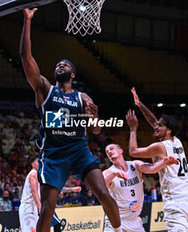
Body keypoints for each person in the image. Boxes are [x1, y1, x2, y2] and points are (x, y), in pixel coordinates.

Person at [20, 8, 122, 232]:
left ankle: (118, 229)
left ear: (73, 75)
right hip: (54, 155)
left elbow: (95, 130)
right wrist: (27, 22)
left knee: (103, 194)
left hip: (78, 151)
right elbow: (26, 59)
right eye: (58, 65)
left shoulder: (83, 97)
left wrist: (92, 117)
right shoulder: (45, 89)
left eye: (66, 65)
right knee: (47, 208)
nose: (61, 65)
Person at [127, 88, 188, 232]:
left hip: (175, 200)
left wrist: (133, 129)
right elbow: (153, 121)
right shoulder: (176, 140)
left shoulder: (160, 147)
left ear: (168, 130)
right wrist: (140, 105)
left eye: (160, 125)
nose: (156, 126)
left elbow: (133, 151)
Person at [103, 144, 177, 232]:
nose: (109, 152)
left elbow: (152, 169)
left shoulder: (135, 165)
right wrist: (114, 174)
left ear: (121, 151)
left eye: (111, 149)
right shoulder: (108, 172)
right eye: (107, 152)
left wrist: (164, 162)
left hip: (134, 221)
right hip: (115, 221)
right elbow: (102, 186)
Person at [19, 155, 81, 232]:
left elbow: (54, 188)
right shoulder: (33, 174)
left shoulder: (41, 175)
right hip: (28, 206)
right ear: (32, 164)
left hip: (34, 207)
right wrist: (40, 207)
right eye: (37, 162)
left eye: (40, 161)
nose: (40, 163)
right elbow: (34, 192)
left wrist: (72, 189)